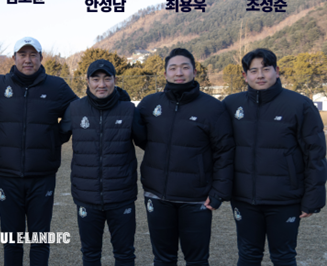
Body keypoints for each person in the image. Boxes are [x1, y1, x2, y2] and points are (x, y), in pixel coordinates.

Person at [222, 48, 326, 266]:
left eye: (266, 69)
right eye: (253, 71)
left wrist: (313, 198)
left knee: (283, 256)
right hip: (244, 198)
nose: (260, 75)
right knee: (248, 255)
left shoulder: (299, 105)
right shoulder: (231, 105)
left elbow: (315, 154)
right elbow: (220, 148)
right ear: (245, 76)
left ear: (277, 71)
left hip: (285, 198)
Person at [0, 36, 78, 266]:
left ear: (41, 58)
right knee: (11, 240)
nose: (27, 60)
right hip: (7, 176)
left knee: (40, 239)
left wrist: (56, 138)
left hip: (42, 176)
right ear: (14, 58)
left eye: (33, 55)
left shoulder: (56, 87)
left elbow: (77, 110)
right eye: (22, 55)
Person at [138, 48, 234, 266]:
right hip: (157, 196)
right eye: (173, 68)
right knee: (163, 259)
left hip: (196, 198)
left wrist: (219, 192)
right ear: (165, 73)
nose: (178, 72)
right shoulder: (149, 104)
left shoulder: (212, 108)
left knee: (197, 260)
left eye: (184, 67)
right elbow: (143, 138)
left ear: (195, 71)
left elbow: (225, 152)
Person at [59, 59, 146, 266]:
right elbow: (55, 137)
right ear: (87, 81)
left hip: (121, 197)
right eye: (96, 79)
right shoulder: (75, 109)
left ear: (115, 80)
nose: (101, 84)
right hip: (86, 197)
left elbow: (147, 142)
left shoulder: (128, 110)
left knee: (125, 254)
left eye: (107, 79)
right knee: (90, 254)